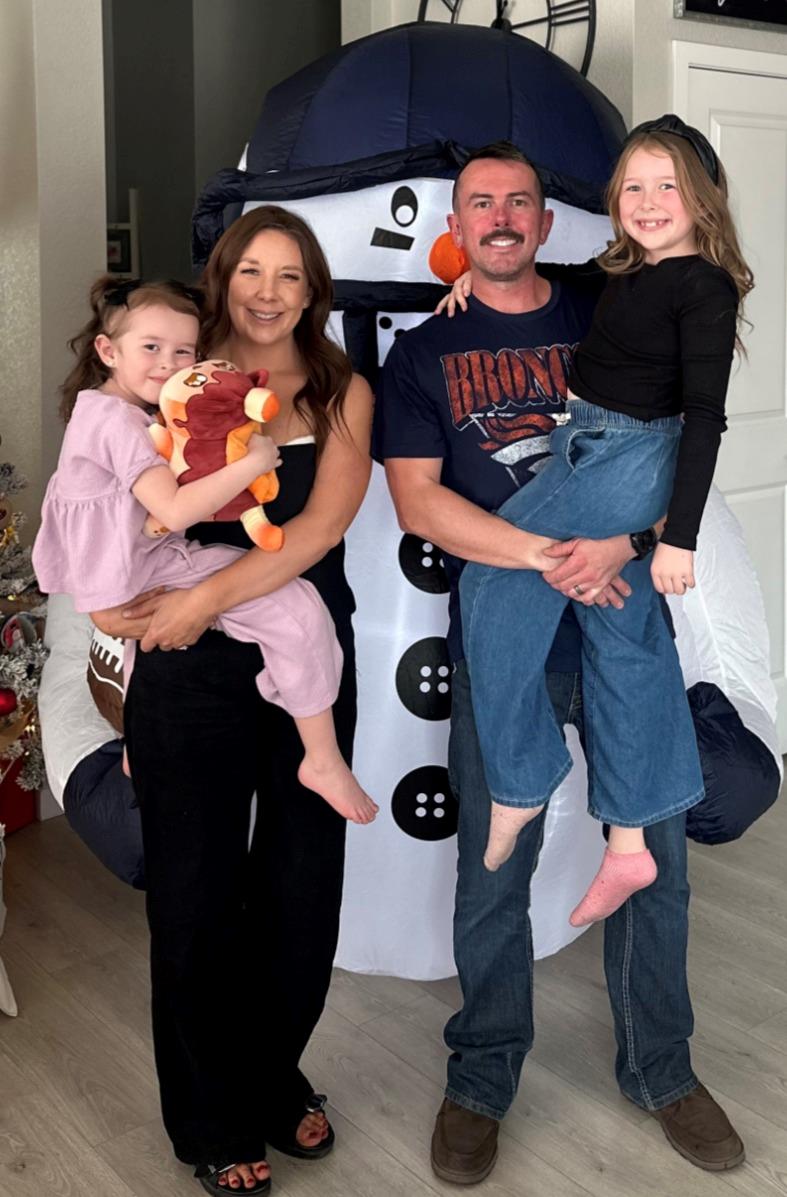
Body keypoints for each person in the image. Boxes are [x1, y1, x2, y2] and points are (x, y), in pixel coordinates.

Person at [374, 138, 745, 1185]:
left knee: (654, 857)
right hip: (511, 644)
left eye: (518, 202)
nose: (499, 217)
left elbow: (681, 436)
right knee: (495, 870)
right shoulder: (423, 353)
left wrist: (623, 545)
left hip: (622, 617)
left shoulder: (611, 299)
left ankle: (661, 1068)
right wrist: (549, 556)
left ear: (545, 221)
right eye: (478, 203)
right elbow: (419, 503)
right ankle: (481, 1077)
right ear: (457, 225)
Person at [87, 207, 374, 1194]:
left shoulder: (340, 389)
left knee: (302, 885)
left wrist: (202, 599)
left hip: (305, 657)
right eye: (250, 270)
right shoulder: (169, 376)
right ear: (221, 278)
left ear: (313, 290)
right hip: (185, 665)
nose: (266, 292)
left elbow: (318, 530)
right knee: (196, 893)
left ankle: (271, 1072)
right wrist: (123, 628)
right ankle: (211, 1118)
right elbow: (108, 506)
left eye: (288, 275)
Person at [454, 118, 750, 926]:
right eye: (632, 187)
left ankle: (520, 780)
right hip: (590, 443)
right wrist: (463, 279)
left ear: (701, 199)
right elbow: (533, 271)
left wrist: (675, 538)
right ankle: (628, 840)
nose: (648, 202)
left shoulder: (702, 286)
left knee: (489, 582)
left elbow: (703, 418)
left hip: (624, 455)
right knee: (622, 638)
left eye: (667, 187)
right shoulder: (628, 269)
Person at [33, 278, 377, 826]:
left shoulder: (106, 411)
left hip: (129, 570)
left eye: (183, 352)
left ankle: (137, 745)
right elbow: (173, 511)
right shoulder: (117, 424)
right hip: (148, 570)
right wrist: (255, 463)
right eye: (151, 347)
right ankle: (322, 756)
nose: (167, 364)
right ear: (107, 350)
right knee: (298, 608)